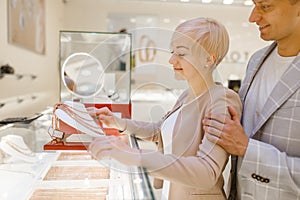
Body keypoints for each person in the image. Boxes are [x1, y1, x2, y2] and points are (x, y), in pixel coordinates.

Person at [88, 17, 242, 200]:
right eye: (172, 52)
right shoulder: (187, 95)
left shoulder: (222, 101)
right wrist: (118, 122)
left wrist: (133, 155)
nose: (171, 60)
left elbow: (206, 172)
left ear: (209, 59)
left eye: (181, 54)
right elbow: (160, 132)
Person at [202, 0, 300, 199]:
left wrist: (247, 148)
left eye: (265, 6)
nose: (253, 17)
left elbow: (243, 144)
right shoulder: (257, 60)